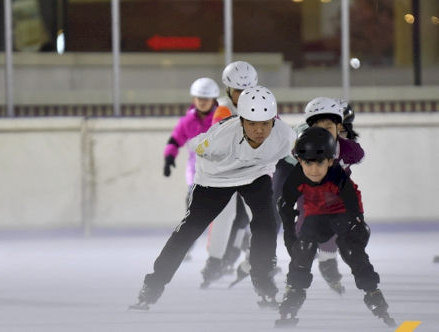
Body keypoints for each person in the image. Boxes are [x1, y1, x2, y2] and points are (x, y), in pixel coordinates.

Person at [129, 86, 297, 310]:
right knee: (189, 229)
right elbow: (194, 145)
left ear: (274, 122)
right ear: (240, 120)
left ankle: (263, 280)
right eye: (252, 123)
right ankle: (154, 284)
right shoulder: (222, 137)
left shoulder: (286, 137)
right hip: (216, 178)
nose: (259, 131)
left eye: (265, 123)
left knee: (266, 223)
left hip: (256, 174)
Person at [276, 127, 395, 328]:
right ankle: (295, 290)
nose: (314, 170)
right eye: (307, 163)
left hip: (341, 212)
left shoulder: (338, 176)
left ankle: (371, 290)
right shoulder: (296, 176)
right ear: (299, 161)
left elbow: (352, 201)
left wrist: (358, 222)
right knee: (303, 249)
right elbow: (285, 203)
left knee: (350, 249)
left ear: (331, 161)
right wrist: (289, 231)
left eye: (320, 163)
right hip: (316, 216)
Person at [284, 97, 364, 295]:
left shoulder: (346, 147)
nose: (326, 133)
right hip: (310, 195)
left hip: (335, 196)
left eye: (332, 128)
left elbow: (357, 154)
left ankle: (327, 262)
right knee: (304, 233)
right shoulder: (306, 144)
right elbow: (291, 157)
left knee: (338, 227)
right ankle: (296, 274)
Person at [198, 61, 260, 287]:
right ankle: (214, 262)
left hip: (253, 172)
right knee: (224, 216)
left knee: (259, 215)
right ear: (228, 91)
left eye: (246, 91)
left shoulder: (262, 104)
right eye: (237, 91)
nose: (241, 96)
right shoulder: (223, 109)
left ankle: (256, 257)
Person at [162, 77, 224, 263]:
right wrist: (169, 157)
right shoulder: (187, 122)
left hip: (220, 175)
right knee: (192, 213)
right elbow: (175, 140)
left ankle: (224, 252)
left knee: (224, 216)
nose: (202, 101)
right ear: (193, 99)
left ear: (214, 100)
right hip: (196, 175)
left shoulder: (221, 119)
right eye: (198, 98)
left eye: (205, 98)